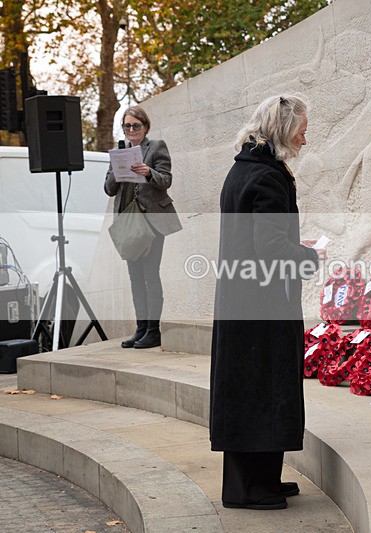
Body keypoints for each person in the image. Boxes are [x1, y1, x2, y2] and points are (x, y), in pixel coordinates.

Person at [210, 95, 327, 510]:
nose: (305, 139)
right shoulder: (265, 177)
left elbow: (262, 240)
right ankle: (248, 489)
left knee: (258, 388)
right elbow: (270, 250)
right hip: (259, 305)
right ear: (282, 131)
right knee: (257, 389)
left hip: (248, 300)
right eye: (301, 131)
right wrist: (309, 257)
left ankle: (264, 479)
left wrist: (293, 245)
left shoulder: (247, 170)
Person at [104, 105, 182, 349]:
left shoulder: (156, 146)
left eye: (135, 126)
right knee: (135, 278)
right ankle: (140, 329)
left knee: (150, 276)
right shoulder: (120, 152)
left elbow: (166, 180)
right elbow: (109, 189)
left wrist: (148, 172)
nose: (131, 130)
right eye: (127, 126)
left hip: (152, 220)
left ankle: (153, 330)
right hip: (128, 221)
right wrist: (118, 171)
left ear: (145, 127)